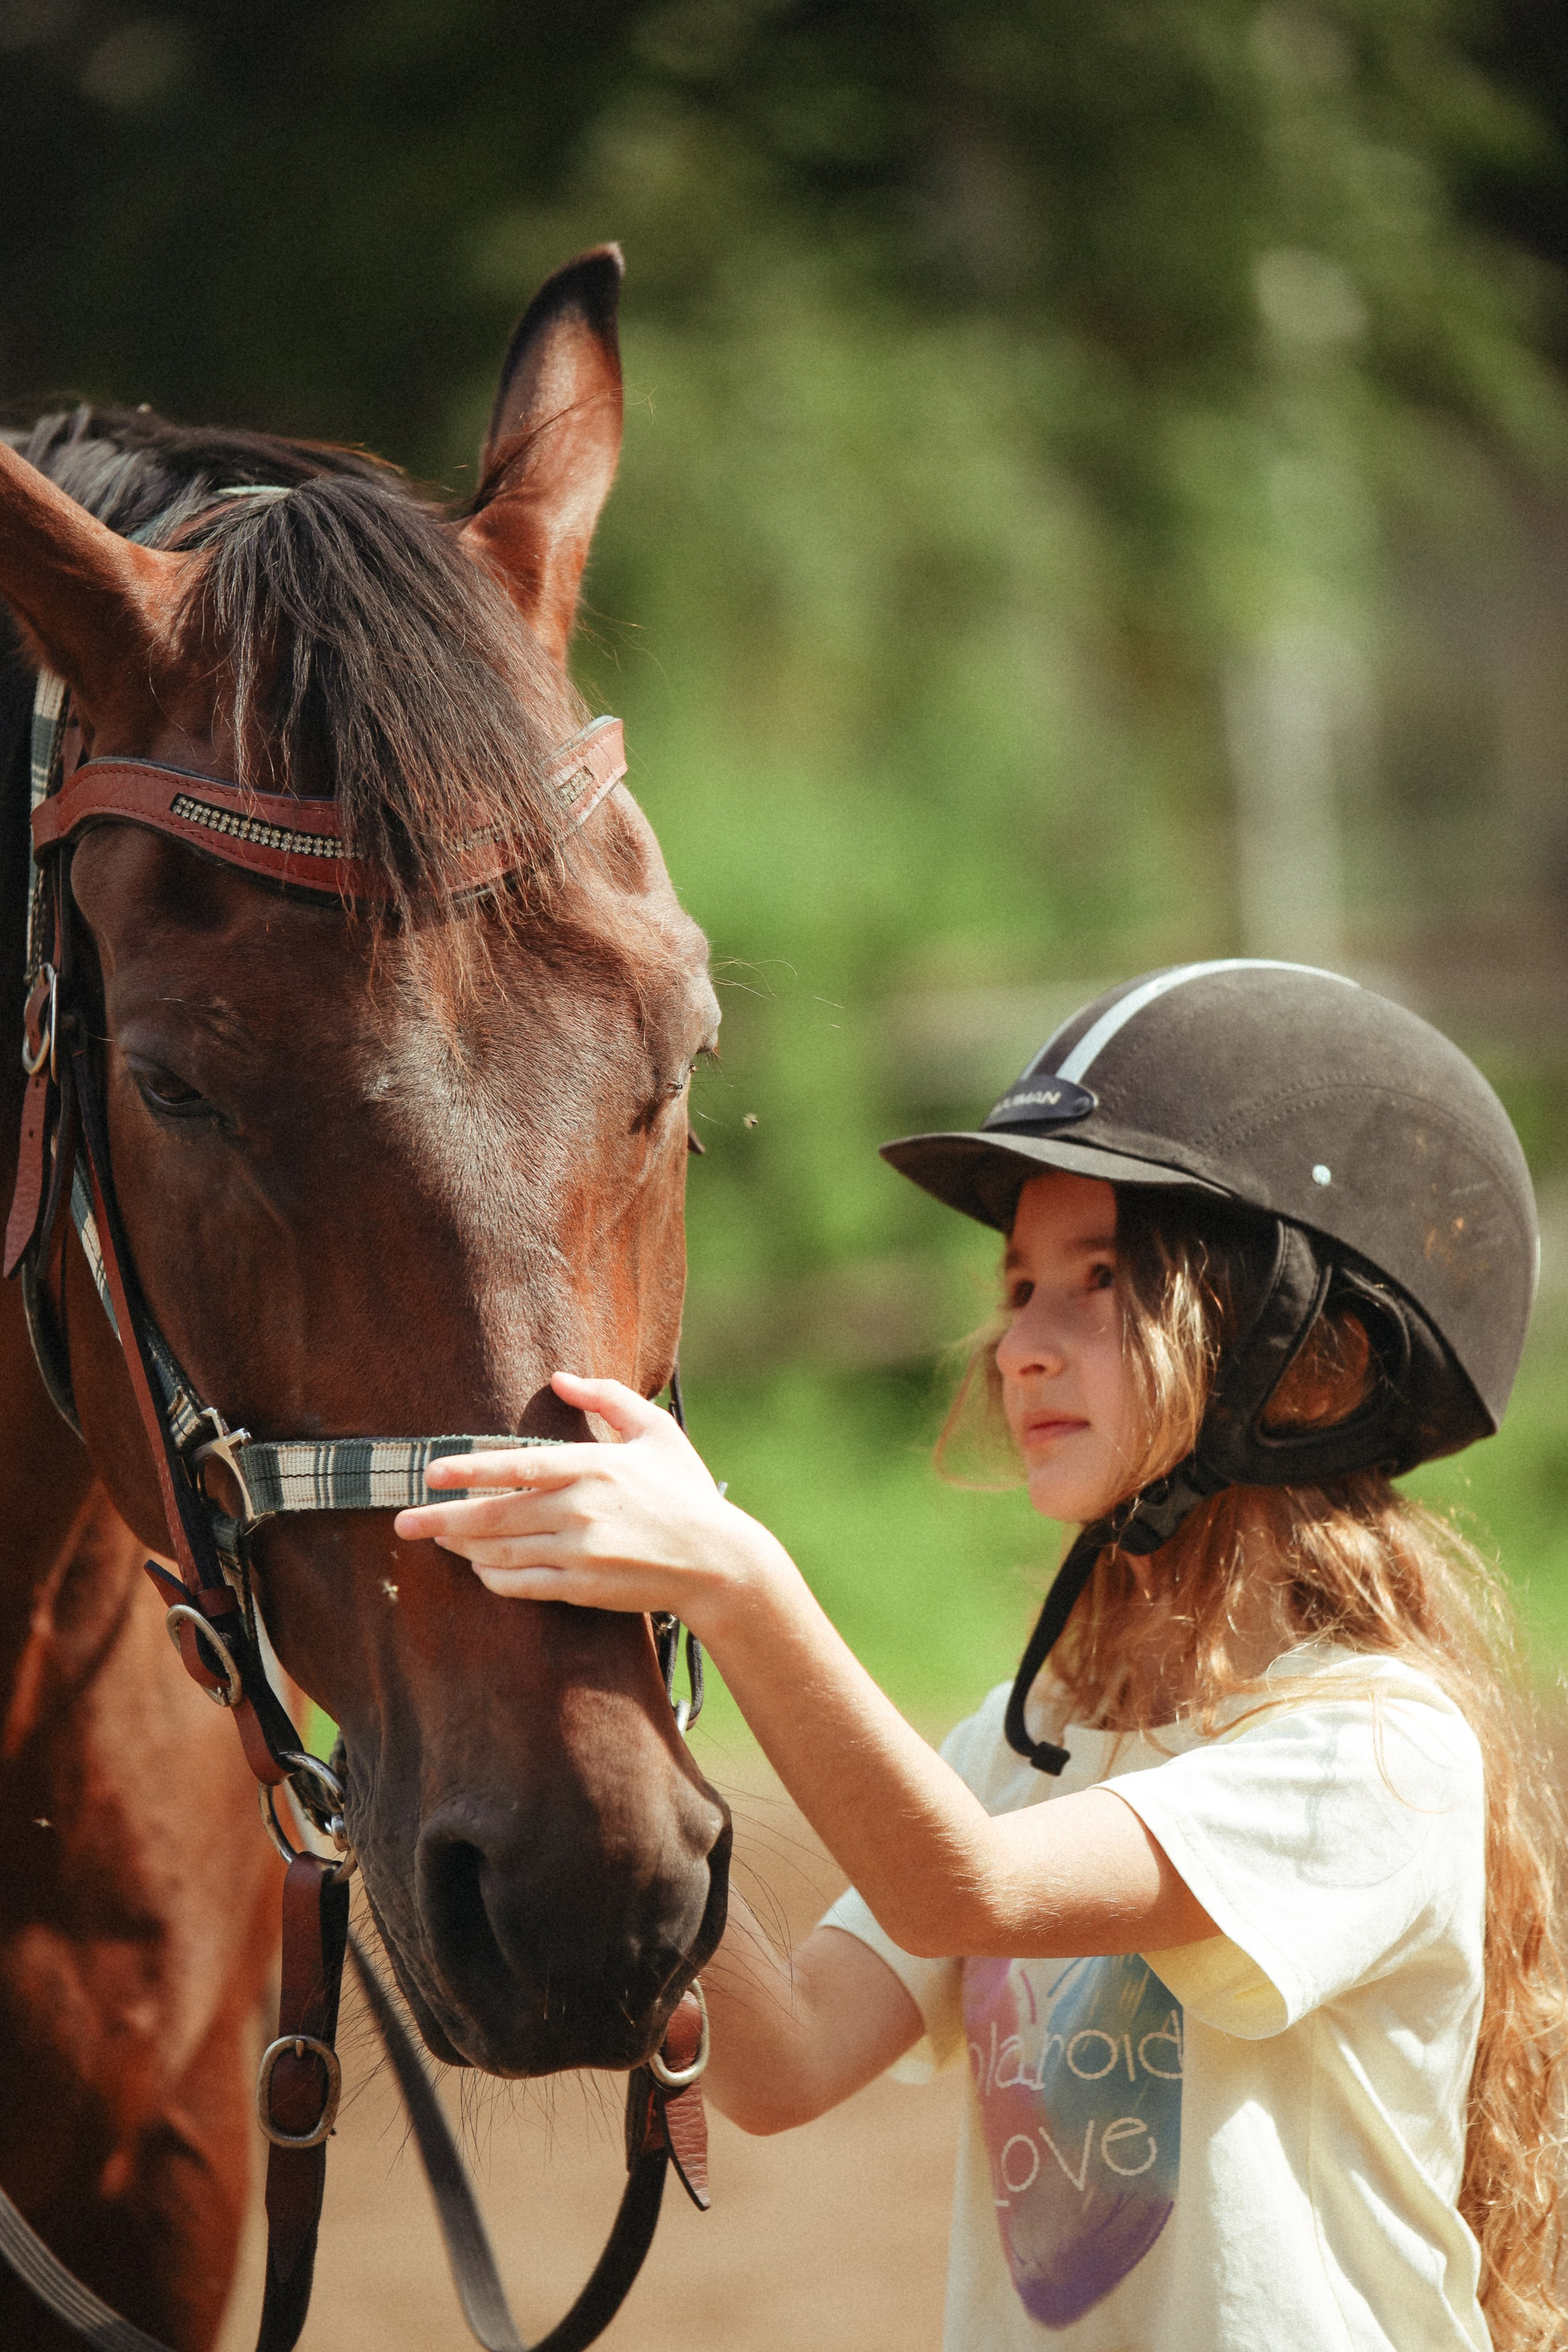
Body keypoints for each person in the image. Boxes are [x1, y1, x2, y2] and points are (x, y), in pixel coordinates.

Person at [394, 960, 1567, 2352]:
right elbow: (785, 2064)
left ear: (1302, 1355)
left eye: (1098, 1281)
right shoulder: (1032, 1740)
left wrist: (732, 1575)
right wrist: (597, 1683)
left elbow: (970, 1891)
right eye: (1017, 1286)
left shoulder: (1372, 1750)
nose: (1020, 1344)